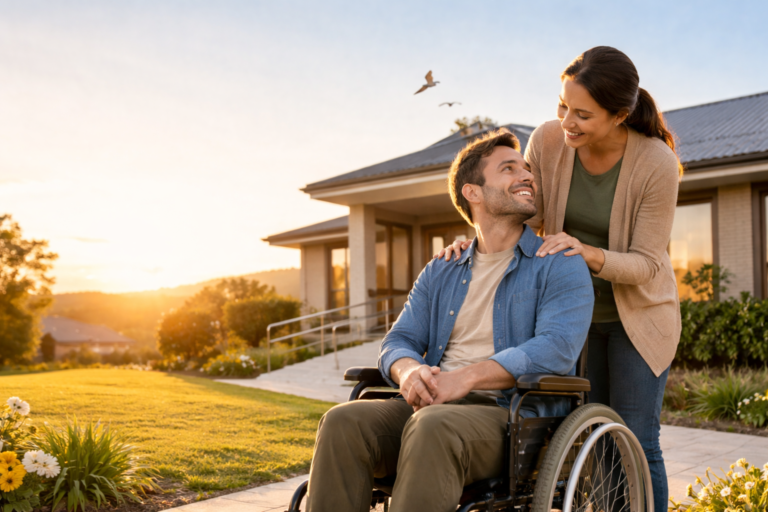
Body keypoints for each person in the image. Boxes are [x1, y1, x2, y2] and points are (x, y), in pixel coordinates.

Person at [438, 46, 681, 512]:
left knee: (635, 436)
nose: (567, 122)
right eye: (563, 106)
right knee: (591, 436)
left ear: (619, 115)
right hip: (571, 313)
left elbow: (648, 264)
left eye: (583, 115)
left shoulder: (656, 162)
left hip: (639, 317)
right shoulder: (549, 140)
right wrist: (473, 242)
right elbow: (525, 216)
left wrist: (588, 252)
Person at [305, 128, 594, 512]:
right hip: (432, 406)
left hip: (510, 416)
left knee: (432, 426)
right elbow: (399, 340)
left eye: (527, 169)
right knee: (343, 422)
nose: (527, 176)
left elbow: (556, 348)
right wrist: (409, 372)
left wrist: (466, 378)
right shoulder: (441, 269)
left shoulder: (558, 262)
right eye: (509, 169)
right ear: (473, 192)